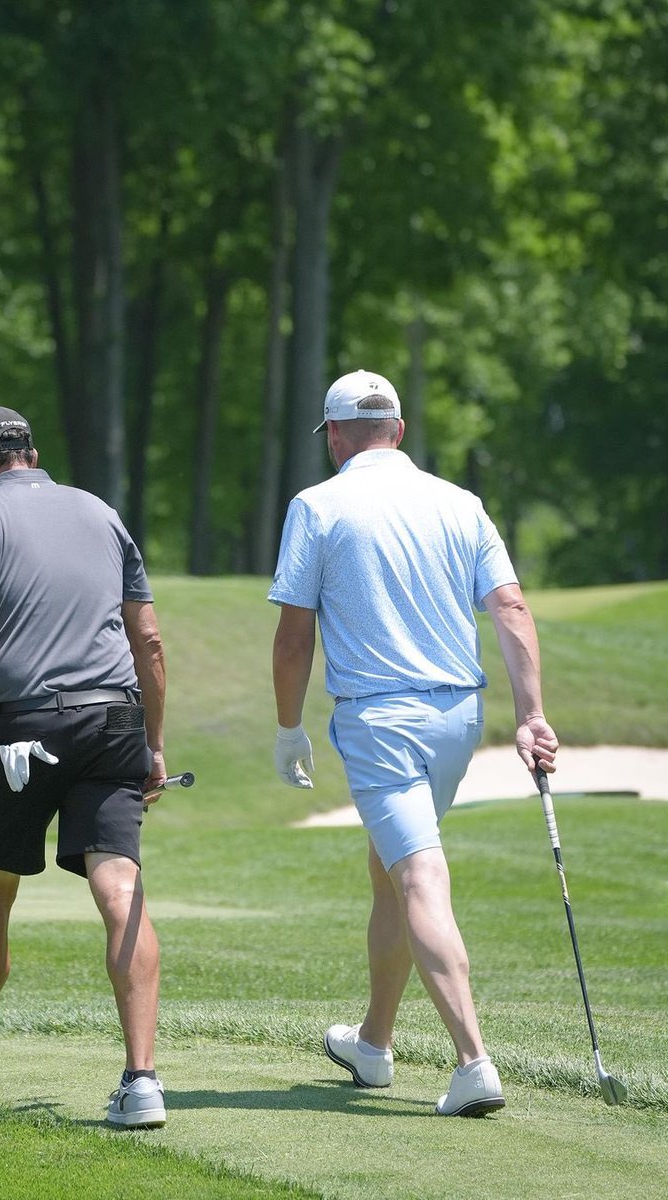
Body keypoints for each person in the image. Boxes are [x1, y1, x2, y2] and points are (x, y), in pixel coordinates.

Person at [269, 370, 558, 1117]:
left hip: (380, 725)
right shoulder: (461, 504)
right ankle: (373, 1044)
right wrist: (530, 715)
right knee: (388, 869)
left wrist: (288, 725)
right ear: (397, 430)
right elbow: (512, 606)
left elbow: (295, 633)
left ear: (334, 437)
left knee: (420, 876)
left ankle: (473, 1061)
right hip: (460, 721)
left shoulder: (317, 505)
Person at [0, 404, 168, 1129]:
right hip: (115, 717)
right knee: (121, 886)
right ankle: (142, 1083)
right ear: (32, 453)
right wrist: (153, 740)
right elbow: (147, 638)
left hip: (22, 726)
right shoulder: (101, 511)